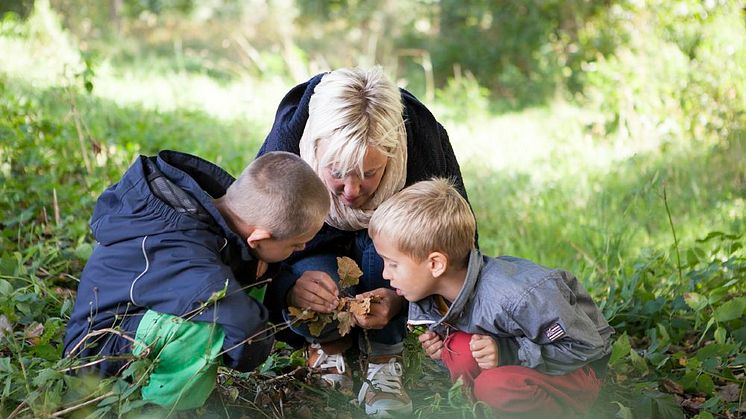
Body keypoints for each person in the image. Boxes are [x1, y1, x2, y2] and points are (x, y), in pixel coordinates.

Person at [257, 66, 473, 416]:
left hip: (388, 252)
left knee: (392, 253)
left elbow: (458, 248)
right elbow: (253, 241)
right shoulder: (289, 141)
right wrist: (288, 288)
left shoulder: (421, 139)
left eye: (370, 173)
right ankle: (328, 346)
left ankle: (385, 355)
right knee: (312, 286)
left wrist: (405, 300)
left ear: (392, 153)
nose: (352, 192)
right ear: (315, 150)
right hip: (314, 250)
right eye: (337, 174)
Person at [62, 150, 329, 410]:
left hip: (139, 326)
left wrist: (286, 289)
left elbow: (243, 280)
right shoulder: (185, 252)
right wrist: (251, 348)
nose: (302, 250)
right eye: (296, 245)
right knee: (205, 329)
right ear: (258, 238)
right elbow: (248, 333)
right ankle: (154, 409)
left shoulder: (220, 216)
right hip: (97, 355)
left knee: (244, 283)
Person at [368, 178, 614, 418]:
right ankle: (483, 410)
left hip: (579, 371)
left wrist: (508, 352)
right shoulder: (436, 294)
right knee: (458, 350)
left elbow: (586, 345)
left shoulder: (518, 296)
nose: (385, 274)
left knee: (494, 386)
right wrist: (443, 351)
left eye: (392, 264)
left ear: (435, 264)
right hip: (524, 368)